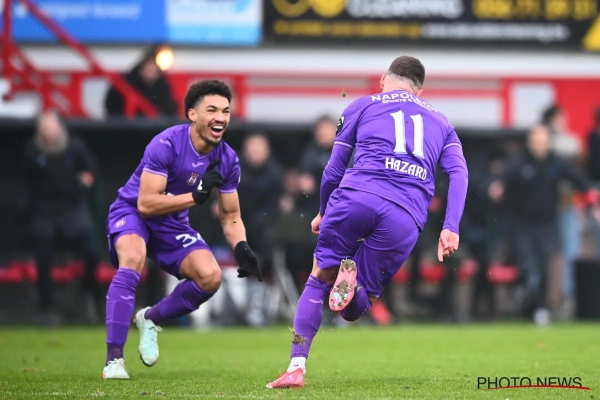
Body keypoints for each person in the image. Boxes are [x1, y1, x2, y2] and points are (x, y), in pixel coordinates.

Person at [266, 56, 469, 389]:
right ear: (419, 90)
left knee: (318, 279)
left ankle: (296, 366)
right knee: (355, 309)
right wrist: (451, 226)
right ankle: (355, 287)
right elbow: (459, 173)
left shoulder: (363, 105)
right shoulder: (442, 122)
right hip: (405, 215)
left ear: (384, 79)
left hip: (357, 197)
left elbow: (334, 168)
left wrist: (323, 210)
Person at [102, 80, 262, 380]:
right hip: (133, 212)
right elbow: (146, 203)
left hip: (172, 223)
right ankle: (114, 359)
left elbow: (230, 215)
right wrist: (195, 196)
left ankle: (150, 318)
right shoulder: (167, 144)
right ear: (192, 114)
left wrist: (241, 247)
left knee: (210, 276)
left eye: (226, 111)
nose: (220, 117)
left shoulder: (227, 159)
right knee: (133, 260)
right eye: (212, 110)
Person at [488, 125, 599, 325]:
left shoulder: (555, 163)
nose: (539, 146)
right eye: (535, 141)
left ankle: (540, 308)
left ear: (548, 143)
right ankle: (526, 305)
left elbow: (577, 179)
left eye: (542, 142)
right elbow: (503, 179)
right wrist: (497, 187)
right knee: (529, 267)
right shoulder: (519, 161)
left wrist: (590, 194)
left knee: (547, 265)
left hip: (547, 223)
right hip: (523, 224)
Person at [18, 110, 102, 326]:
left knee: (92, 254)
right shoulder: (32, 151)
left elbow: (91, 170)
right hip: (44, 211)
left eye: (51, 127)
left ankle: (88, 295)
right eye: (43, 128)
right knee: (43, 257)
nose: (48, 131)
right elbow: (26, 183)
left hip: (73, 208)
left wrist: (85, 182)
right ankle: (47, 308)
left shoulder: (75, 147)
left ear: (59, 127)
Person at [104, 46, 178, 118]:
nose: (150, 73)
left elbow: (169, 111)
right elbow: (111, 106)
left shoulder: (163, 87)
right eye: (148, 69)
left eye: (153, 70)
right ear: (141, 69)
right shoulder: (125, 83)